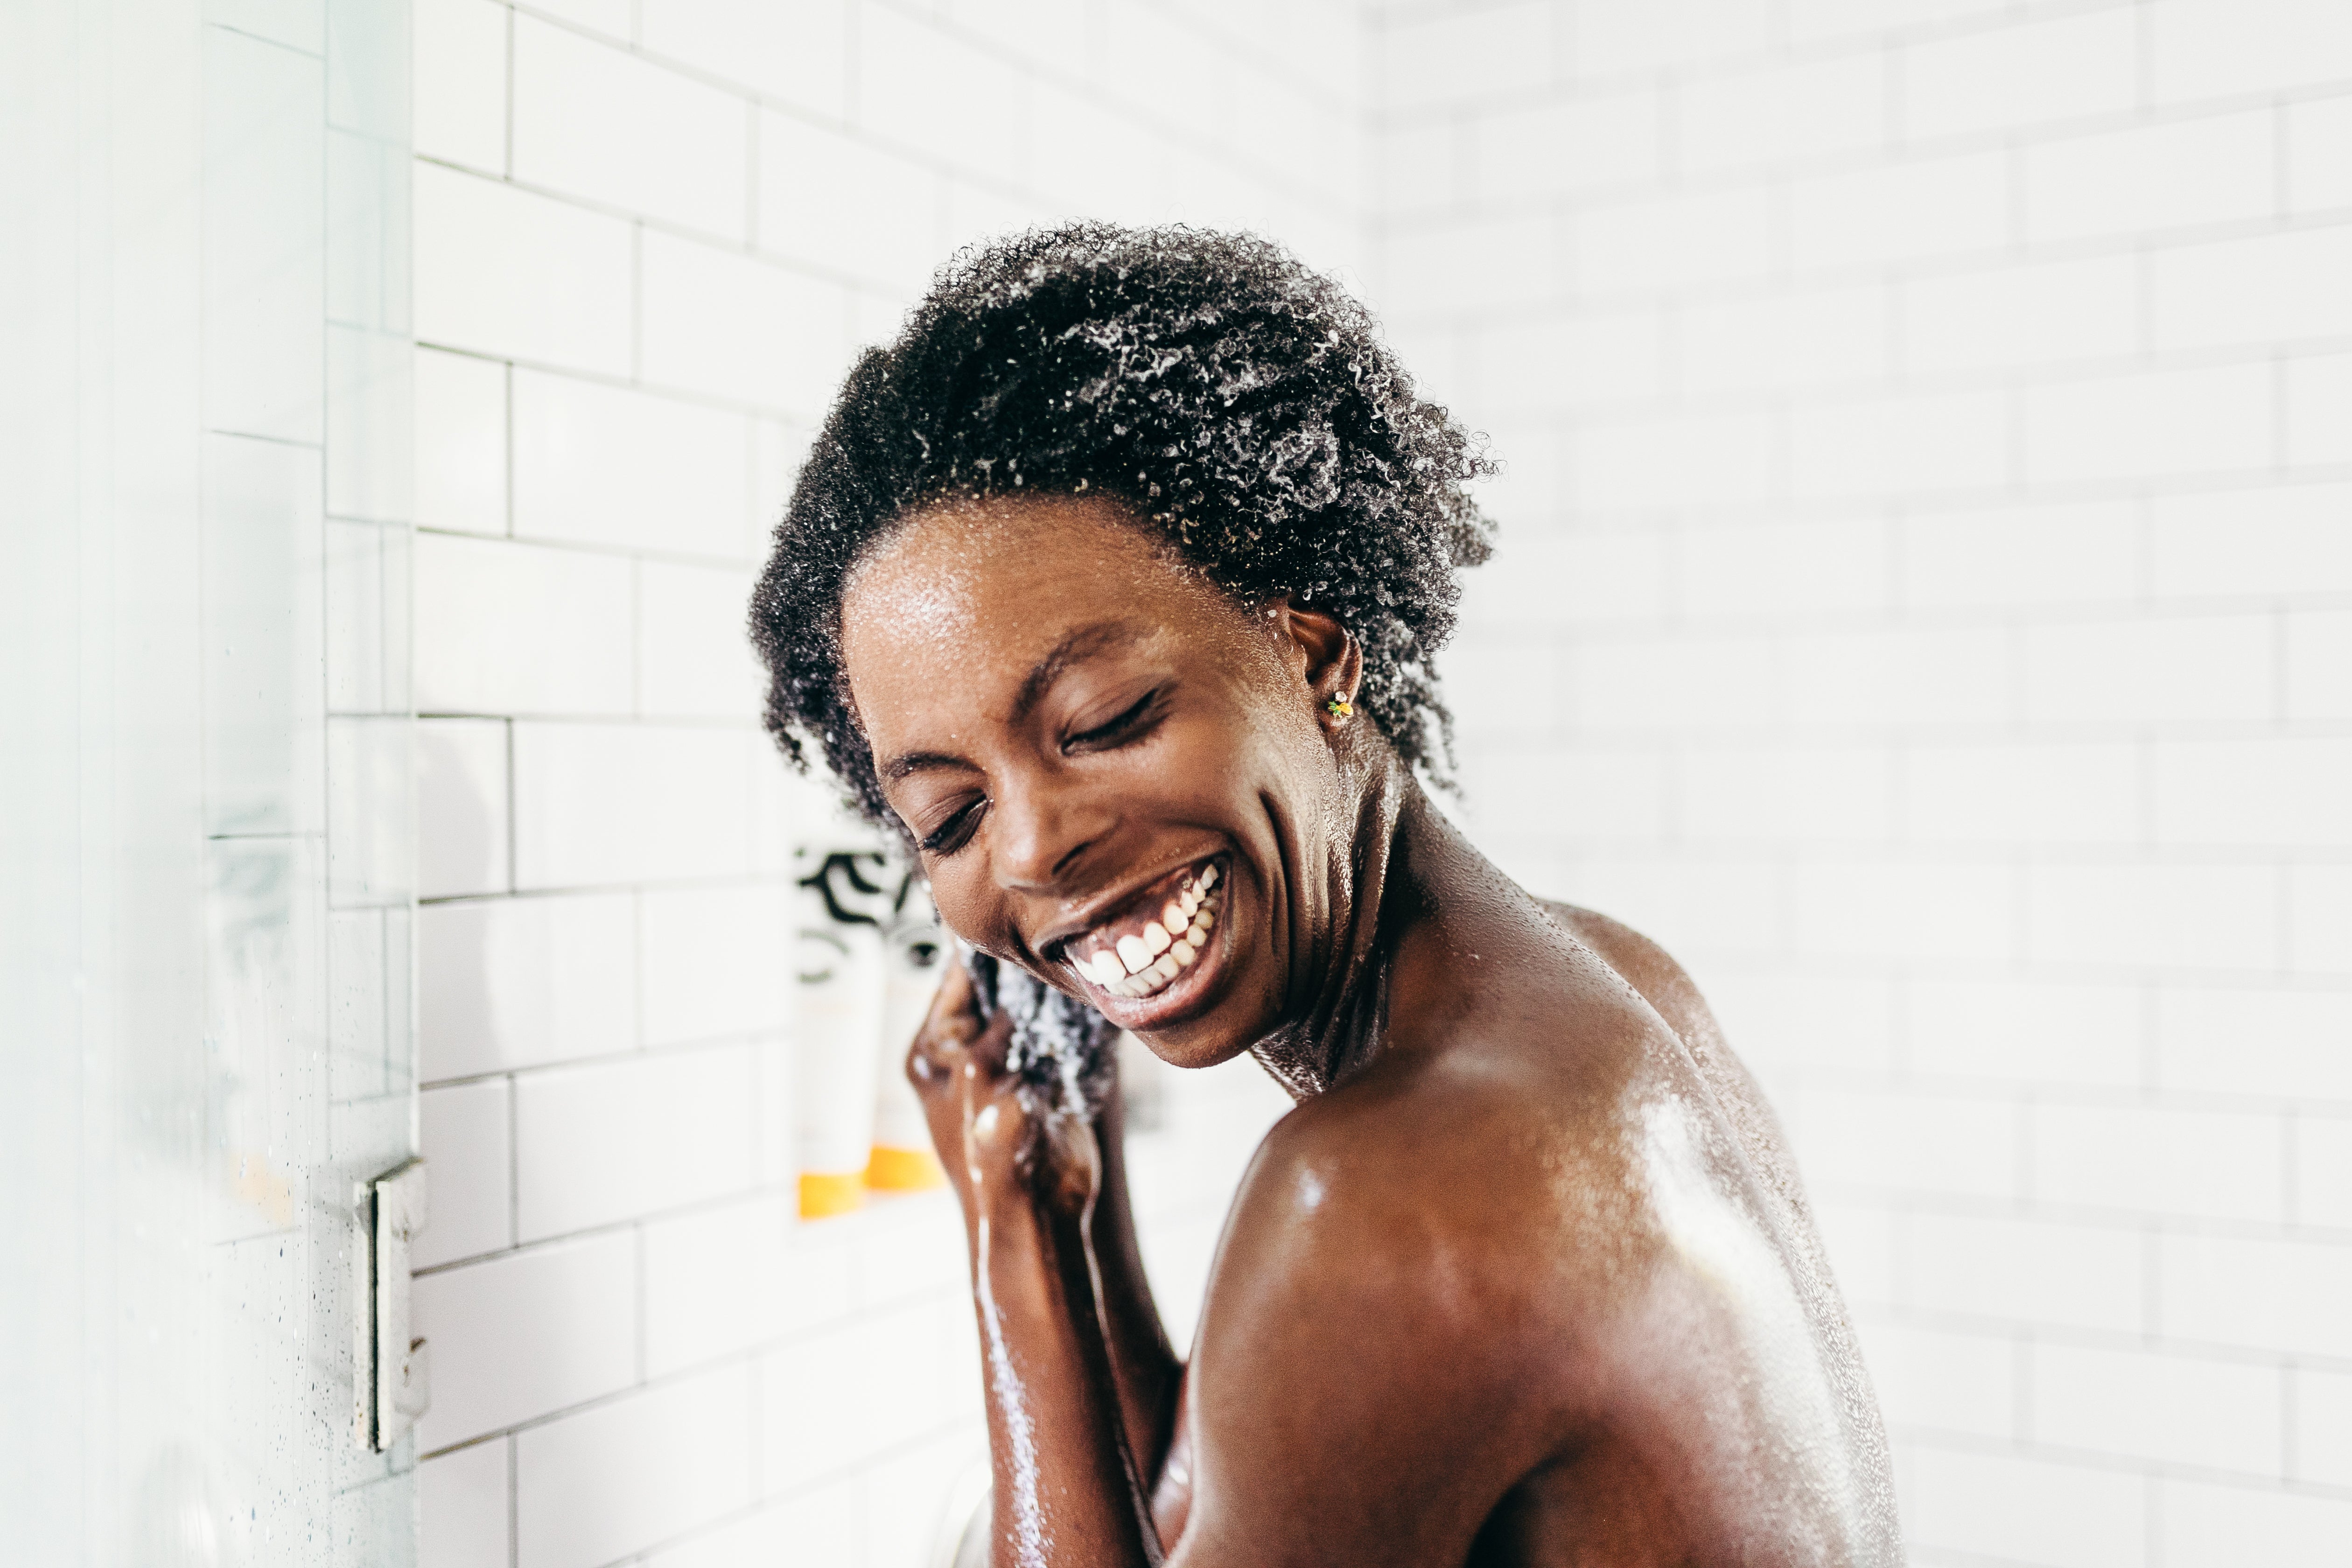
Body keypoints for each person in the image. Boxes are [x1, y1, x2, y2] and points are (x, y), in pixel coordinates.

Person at [749, 223, 1900, 1567]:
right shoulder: (1605, 989)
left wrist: (1009, 1243)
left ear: (1314, 648)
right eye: (948, 813)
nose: (1028, 852)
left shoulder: (1384, 1194)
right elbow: (1233, 1494)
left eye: (1106, 717)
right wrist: (1061, 1193)